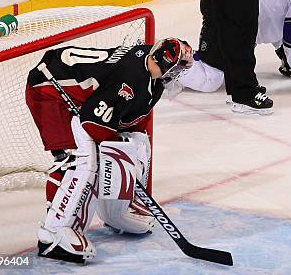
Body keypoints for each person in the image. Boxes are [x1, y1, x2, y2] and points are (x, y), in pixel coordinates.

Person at [25, 38, 193, 263]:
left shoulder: (151, 73)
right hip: (48, 89)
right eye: (180, 67)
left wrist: (126, 150)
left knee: (138, 143)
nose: (181, 72)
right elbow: (92, 123)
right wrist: (117, 151)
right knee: (75, 160)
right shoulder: (130, 80)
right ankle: (53, 232)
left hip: (82, 95)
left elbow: (132, 120)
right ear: (169, 66)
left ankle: (117, 212)